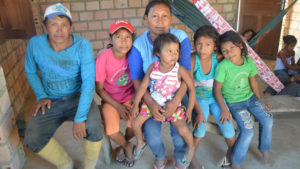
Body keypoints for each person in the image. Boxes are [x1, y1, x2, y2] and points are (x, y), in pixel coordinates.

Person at [24, 3, 103, 169]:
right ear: (45, 26)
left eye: (64, 25)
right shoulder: (35, 44)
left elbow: (89, 83)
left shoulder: (82, 45)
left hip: (77, 97)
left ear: (71, 27)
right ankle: (65, 164)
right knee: (32, 137)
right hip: (50, 99)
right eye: (53, 24)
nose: (59, 30)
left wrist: (81, 117)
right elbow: (30, 71)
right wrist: (41, 95)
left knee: (95, 127)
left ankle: (89, 167)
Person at [128, 0, 192, 168]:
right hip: (152, 95)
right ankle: (160, 156)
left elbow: (187, 78)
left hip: (178, 91)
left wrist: (176, 101)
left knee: (180, 132)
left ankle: (180, 156)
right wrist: (150, 103)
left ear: (171, 19)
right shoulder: (138, 45)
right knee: (151, 134)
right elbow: (137, 80)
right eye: (154, 16)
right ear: (145, 19)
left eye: (165, 16)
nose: (160, 21)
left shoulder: (181, 38)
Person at [214, 30, 273, 169]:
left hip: (250, 98)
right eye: (225, 51)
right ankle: (235, 161)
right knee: (248, 129)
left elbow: (253, 82)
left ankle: (264, 149)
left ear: (240, 45)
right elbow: (216, 90)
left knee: (268, 118)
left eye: (232, 48)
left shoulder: (248, 62)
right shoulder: (223, 66)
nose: (229, 53)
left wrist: (260, 102)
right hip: (234, 103)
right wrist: (224, 109)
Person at [190, 25, 236, 169]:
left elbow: (234, 59)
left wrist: (224, 109)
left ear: (215, 46)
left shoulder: (218, 58)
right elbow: (190, 87)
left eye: (208, 45)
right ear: (194, 44)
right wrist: (198, 111)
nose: (202, 48)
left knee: (228, 127)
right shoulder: (193, 59)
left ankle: (230, 157)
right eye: (199, 44)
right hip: (199, 98)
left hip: (217, 98)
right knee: (200, 128)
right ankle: (191, 159)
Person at [95, 19, 136, 167]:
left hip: (130, 97)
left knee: (135, 124)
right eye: (118, 37)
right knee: (111, 131)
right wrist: (118, 106)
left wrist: (135, 101)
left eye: (127, 37)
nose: (123, 41)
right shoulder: (103, 58)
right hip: (110, 100)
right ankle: (127, 146)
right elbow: (99, 89)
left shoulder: (134, 55)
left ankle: (121, 145)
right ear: (110, 38)